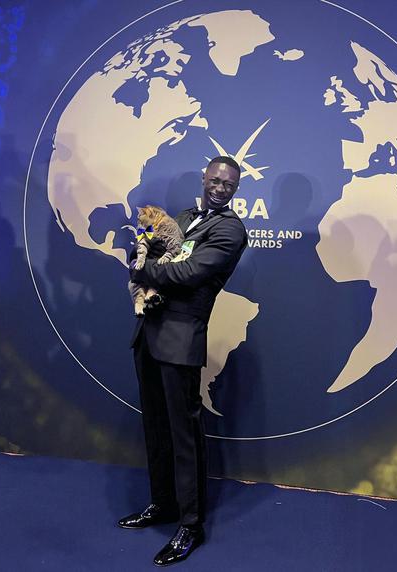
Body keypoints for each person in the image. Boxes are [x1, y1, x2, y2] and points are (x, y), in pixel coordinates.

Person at [119, 156, 247, 566]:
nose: (220, 188)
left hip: (180, 342)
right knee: (155, 428)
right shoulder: (184, 217)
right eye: (215, 180)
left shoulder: (229, 230)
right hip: (148, 334)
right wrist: (144, 259)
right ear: (204, 178)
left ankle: (190, 525)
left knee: (184, 436)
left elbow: (188, 274)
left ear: (236, 189)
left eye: (229, 184)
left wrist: (142, 270)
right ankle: (162, 503)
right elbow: (149, 247)